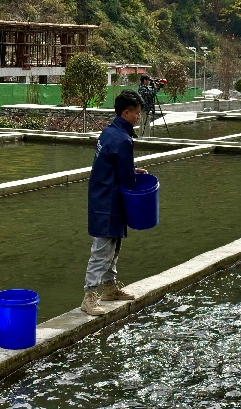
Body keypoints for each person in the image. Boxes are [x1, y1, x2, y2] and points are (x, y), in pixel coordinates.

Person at [81, 89, 148, 316]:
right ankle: (89, 296)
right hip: (108, 199)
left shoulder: (109, 131)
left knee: (115, 242)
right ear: (126, 112)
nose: (139, 116)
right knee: (102, 247)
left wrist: (130, 168)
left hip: (105, 193)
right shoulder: (121, 139)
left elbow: (114, 164)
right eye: (137, 113)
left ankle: (109, 288)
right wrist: (134, 180)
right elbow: (127, 180)